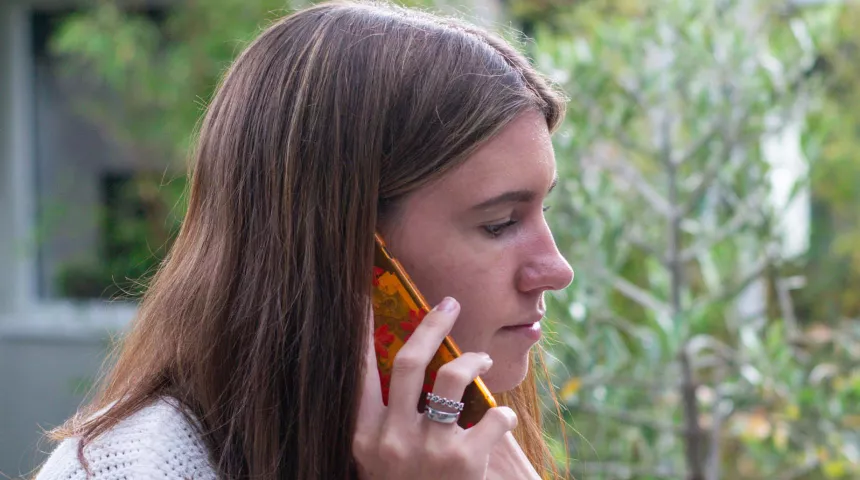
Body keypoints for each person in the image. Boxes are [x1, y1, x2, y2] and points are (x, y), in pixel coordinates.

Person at [35, 0, 574, 478]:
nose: (556, 268)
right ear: (353, 255)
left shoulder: (473, 448)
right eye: (500, 223)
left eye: (542, 210)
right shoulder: (133, 468)